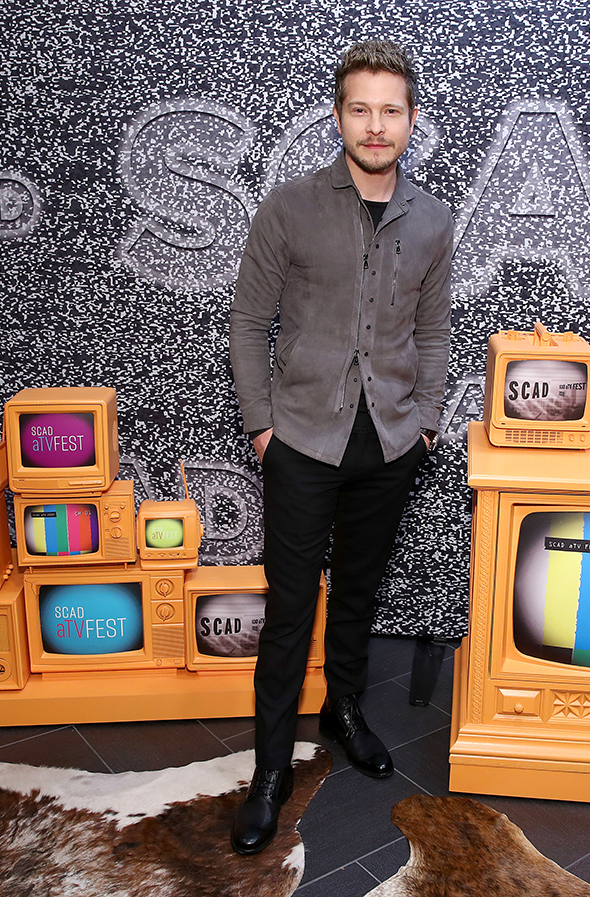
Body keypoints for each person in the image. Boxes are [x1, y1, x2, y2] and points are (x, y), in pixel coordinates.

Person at [227, 39, 453, 855]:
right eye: (360, 108)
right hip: (301, 440)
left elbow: (433, 330)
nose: (376, 124)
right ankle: (267, 767)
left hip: (390, 442)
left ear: (411, 120)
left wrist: (425, 420)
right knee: (290, 610)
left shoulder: (432, 218)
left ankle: (344, 710)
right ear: (338, 116)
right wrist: (262, 426)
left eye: (391, 109)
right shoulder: (288, 205)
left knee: (357, 595)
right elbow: (250, 323)